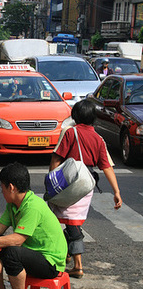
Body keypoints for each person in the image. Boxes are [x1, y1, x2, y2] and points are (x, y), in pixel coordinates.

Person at [48, 99, 122, 279]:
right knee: (74, 221)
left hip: (68, 182)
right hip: (86, 184)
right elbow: (107, 167)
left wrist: (52, 181)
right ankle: (67, 253)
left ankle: (78, 265)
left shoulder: (70, 133)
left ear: (75, 116)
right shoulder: (98, 138)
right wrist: (117, 192)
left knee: (62, 221)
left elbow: (56, 159)